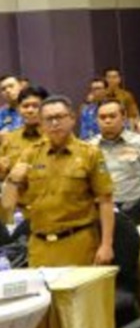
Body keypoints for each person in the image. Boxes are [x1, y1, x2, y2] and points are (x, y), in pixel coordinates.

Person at [2, 95, 115, 267]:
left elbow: (106, 201)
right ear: (41, 123)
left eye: (59, 117)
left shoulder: (90, 154)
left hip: (79, 243)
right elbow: (8, 206)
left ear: (72, 119)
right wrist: (12, 181)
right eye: (48, 119)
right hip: (40, 247)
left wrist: (106, 245)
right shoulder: (30, 154)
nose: (54, 123)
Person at [92, 98, 140, 224]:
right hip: (100, 210)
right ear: (97, 120)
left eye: (112, 116)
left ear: (123, 117)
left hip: (134, 208)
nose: (107, 121)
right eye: (102, 117)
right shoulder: (89, 148)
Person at [0, 86, 47, 181]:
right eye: (25, 106)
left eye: (35, 106)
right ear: (18, 109)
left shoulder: (55, 136)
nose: (30, 110)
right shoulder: (9, 138)